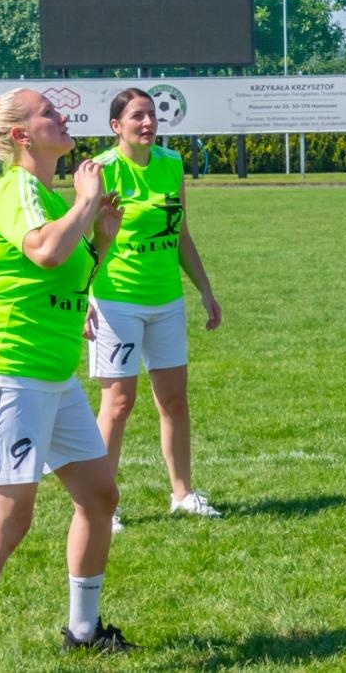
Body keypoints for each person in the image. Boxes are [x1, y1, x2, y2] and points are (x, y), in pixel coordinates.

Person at [0, 89, 134, 672]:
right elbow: (43, 252)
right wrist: (87, 203)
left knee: (98, 495)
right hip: (7, 372)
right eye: (49, 113)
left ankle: (84, 631)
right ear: (21, 136)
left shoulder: (42, 194)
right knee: (9, 520)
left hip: (50, 373)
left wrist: (102, 237)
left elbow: (66, 268)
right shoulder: (15, 188)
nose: (62, 118)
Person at [86, 89, 223, 530]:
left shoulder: (171, 164)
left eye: (151, 115)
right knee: (118, 403)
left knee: (174, 400)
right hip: (116, 300)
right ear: (116, 127)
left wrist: (203, 288)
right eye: (136, 116)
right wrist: (84, 296)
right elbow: (84, 240)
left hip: (166, 300)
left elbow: (179, 231)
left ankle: (182, 493)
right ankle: (101, 505)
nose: (147, 123)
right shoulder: (100, 171)